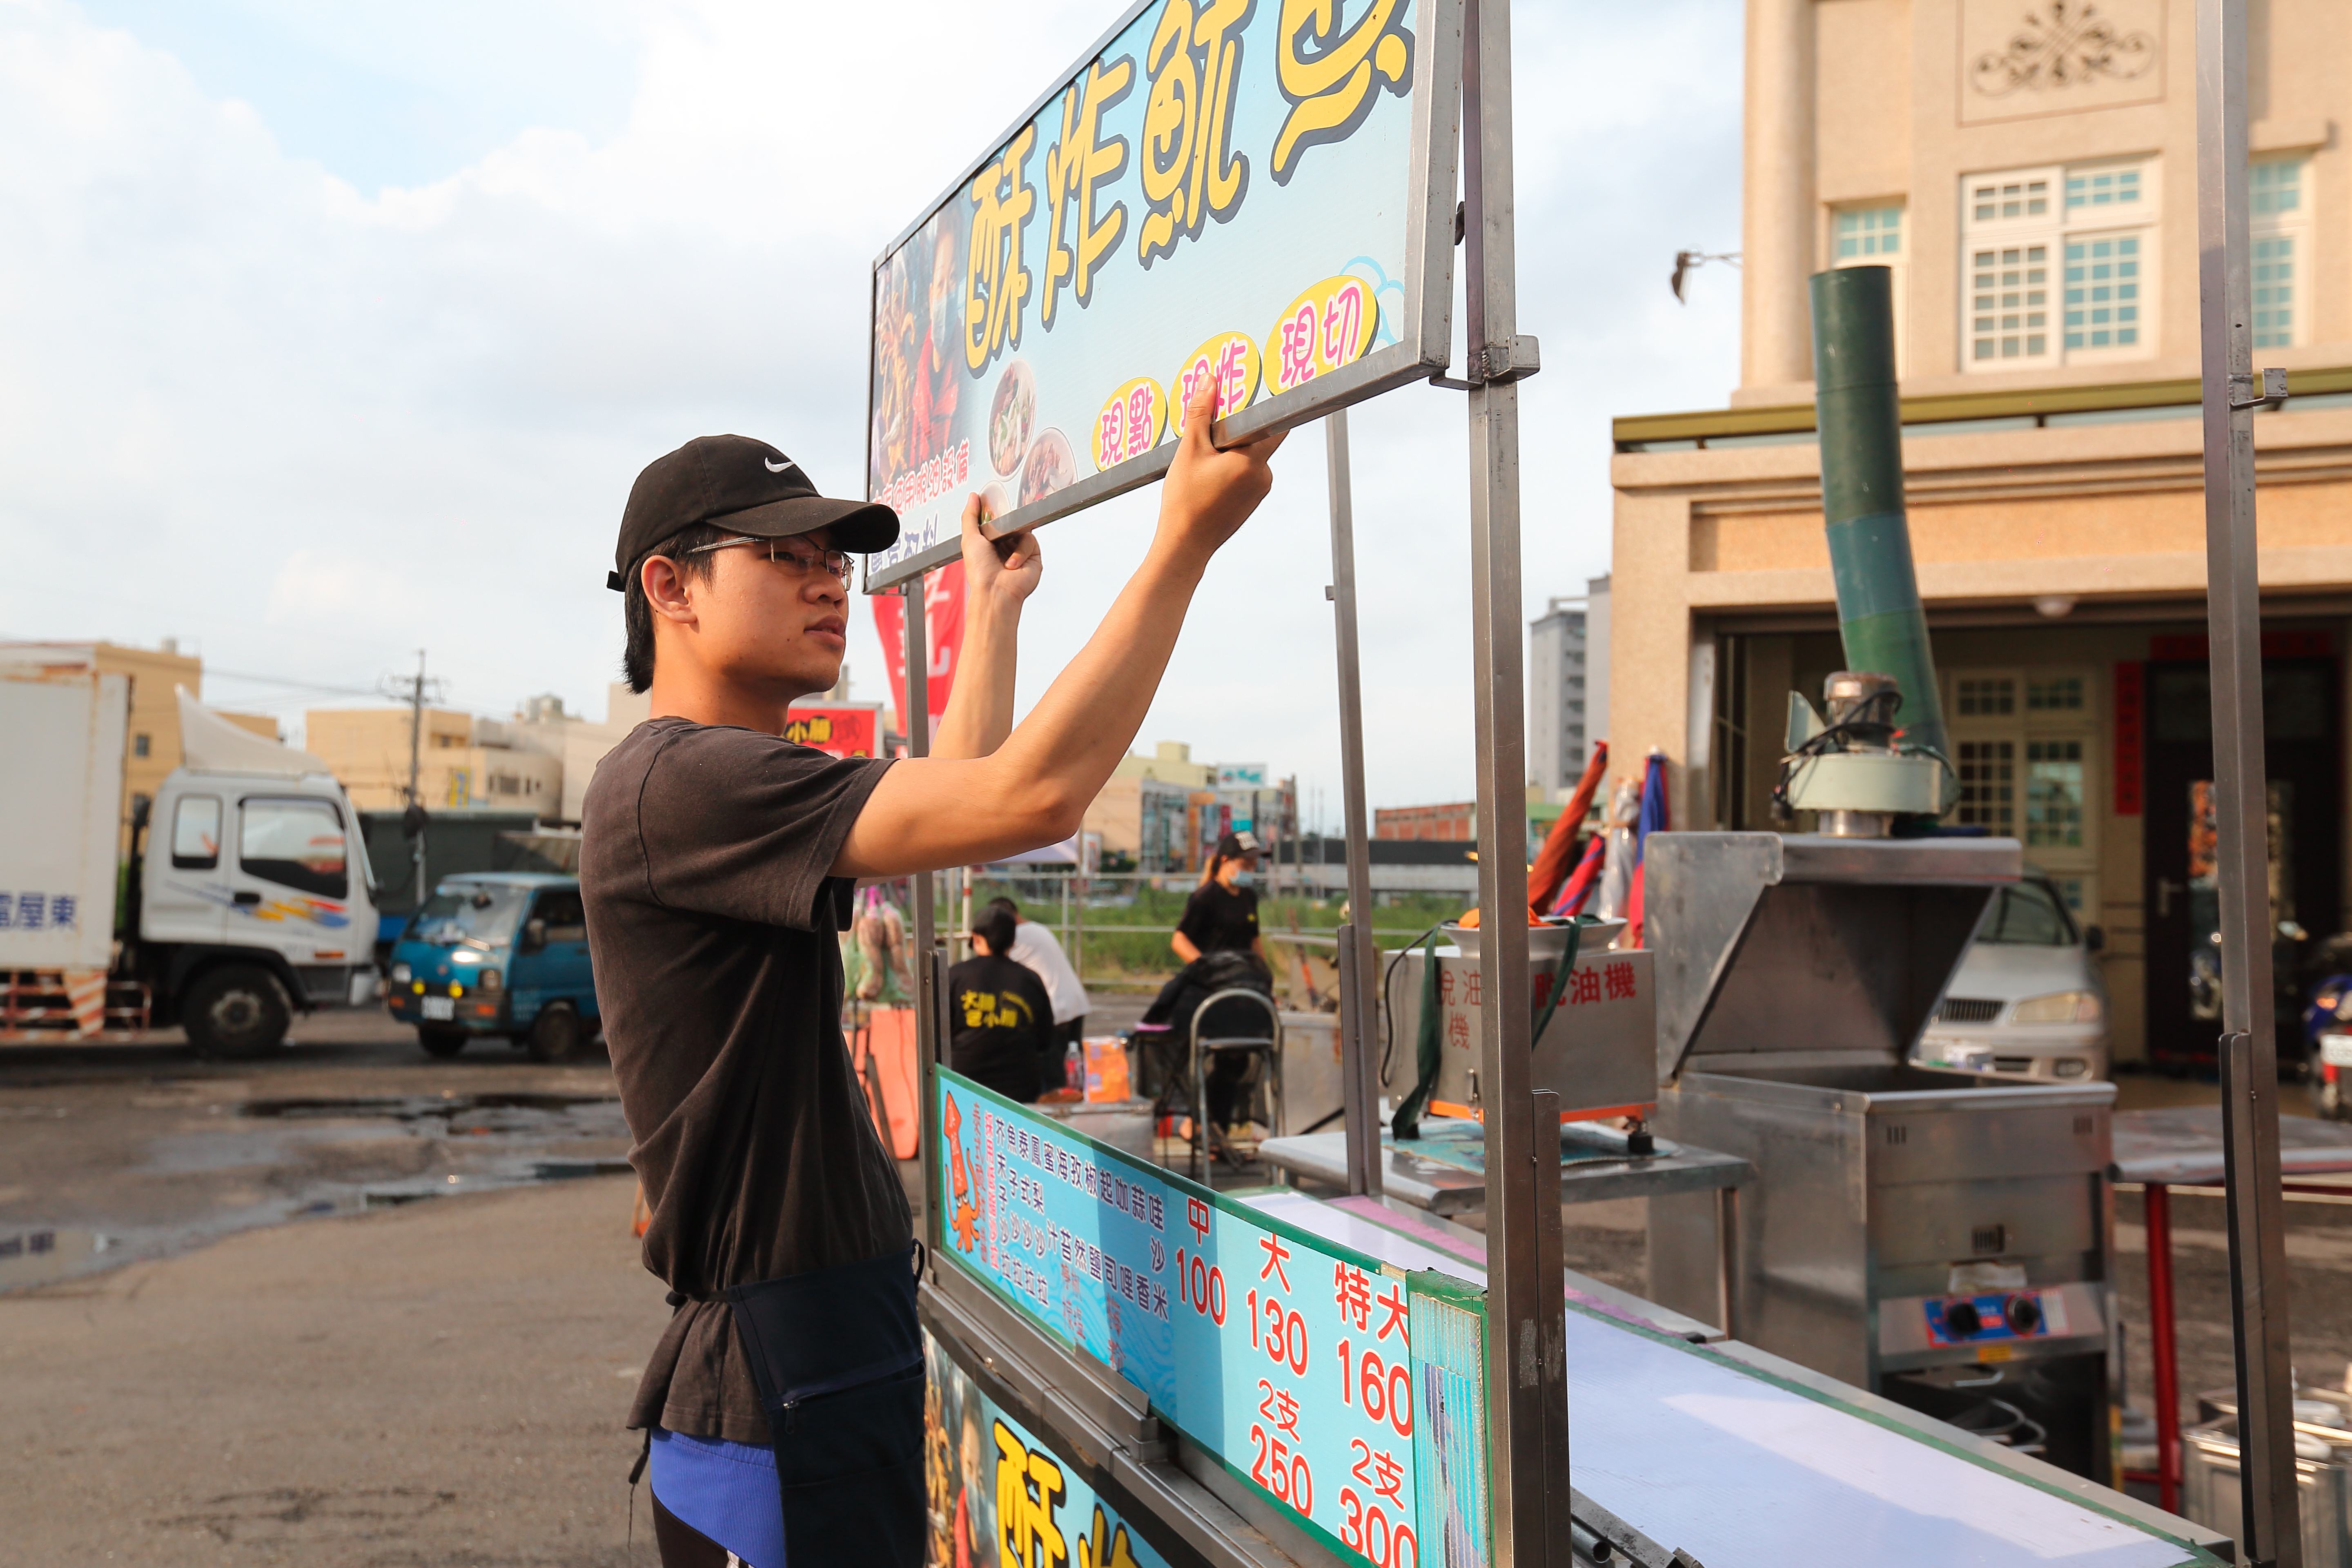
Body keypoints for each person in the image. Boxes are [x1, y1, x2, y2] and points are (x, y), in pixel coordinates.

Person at [581, 378, 1282, 1568]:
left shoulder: (726, 778)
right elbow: (1033, 797)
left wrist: (995, 608)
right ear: (671, 585)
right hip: (772, 1369)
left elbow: (962, 799)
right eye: (787, 555)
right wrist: (1182, 540)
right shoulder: (680, 782)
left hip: (817, 1347)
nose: (828, 580)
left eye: (834, 557)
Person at [947, 908, 1051, 1102]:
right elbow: (1045, 1039)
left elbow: (938, 1034)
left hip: (964, 1085)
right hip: (1020, 1089)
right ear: (1013, 942)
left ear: (976, 938)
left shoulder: (955, 976)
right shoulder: (1030, 980)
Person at [985, 894, 1090, 1080]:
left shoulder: (1019, 936)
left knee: (1055, 1073)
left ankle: (1057, 1107)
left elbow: (995, 965)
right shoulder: (1037, 929)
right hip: (1074, 1004)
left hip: (1057, 1010)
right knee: (1074, 1071)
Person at [1173, 831, 1264, 965]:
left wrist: (1263, 971)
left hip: (1243, 975)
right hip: (1213, 978)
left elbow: (1254, 939)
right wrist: (1205, 968)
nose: (1250, 871)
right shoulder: (1205, 897)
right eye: (1245, 865)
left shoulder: (1249, 896)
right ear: (1225, 860)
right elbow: (1180, 940)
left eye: (1253, 866)